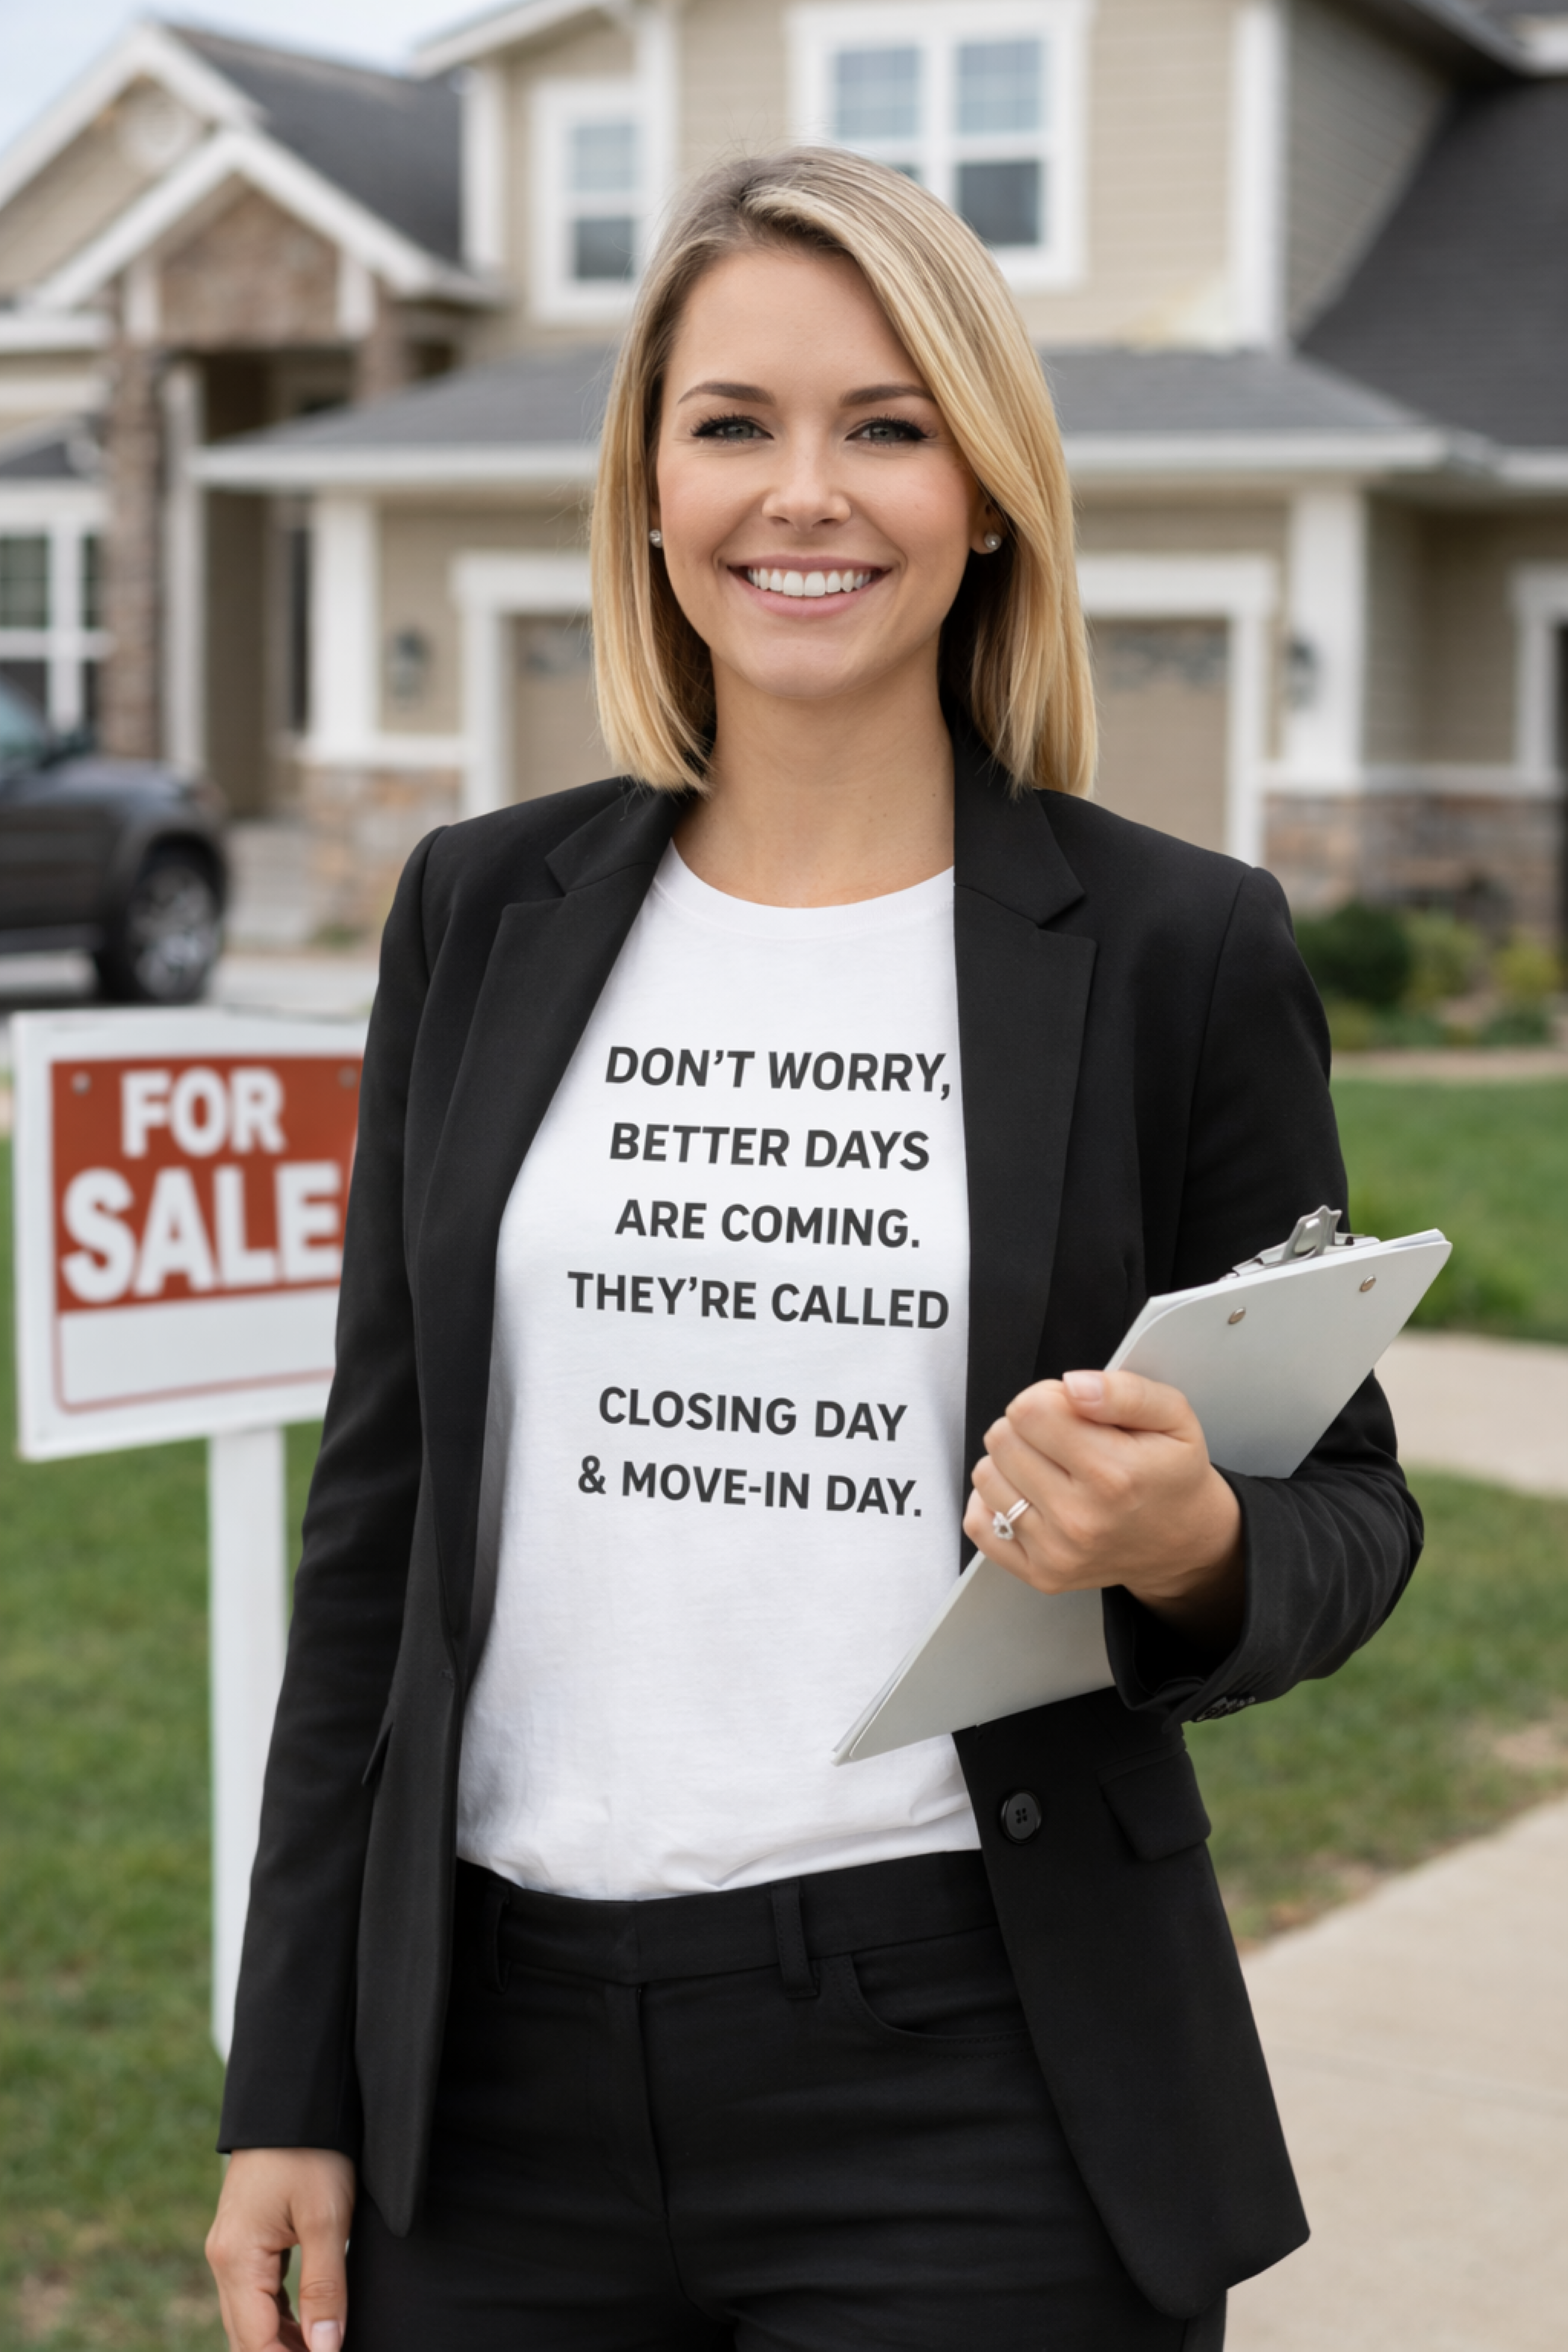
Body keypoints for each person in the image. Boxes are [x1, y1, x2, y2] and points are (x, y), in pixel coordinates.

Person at [205, 149, 1420, 2352]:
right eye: (732, 422)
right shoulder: (480, 910)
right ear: (649, 487)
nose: (806, 494)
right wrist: (288, 2072)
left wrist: (1187, 1537)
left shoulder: (1170, 946)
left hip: (971, 2065)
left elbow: (1345, 1508)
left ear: (985, 489)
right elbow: (373, 1535)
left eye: (885, 423)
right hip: (487, 2084)